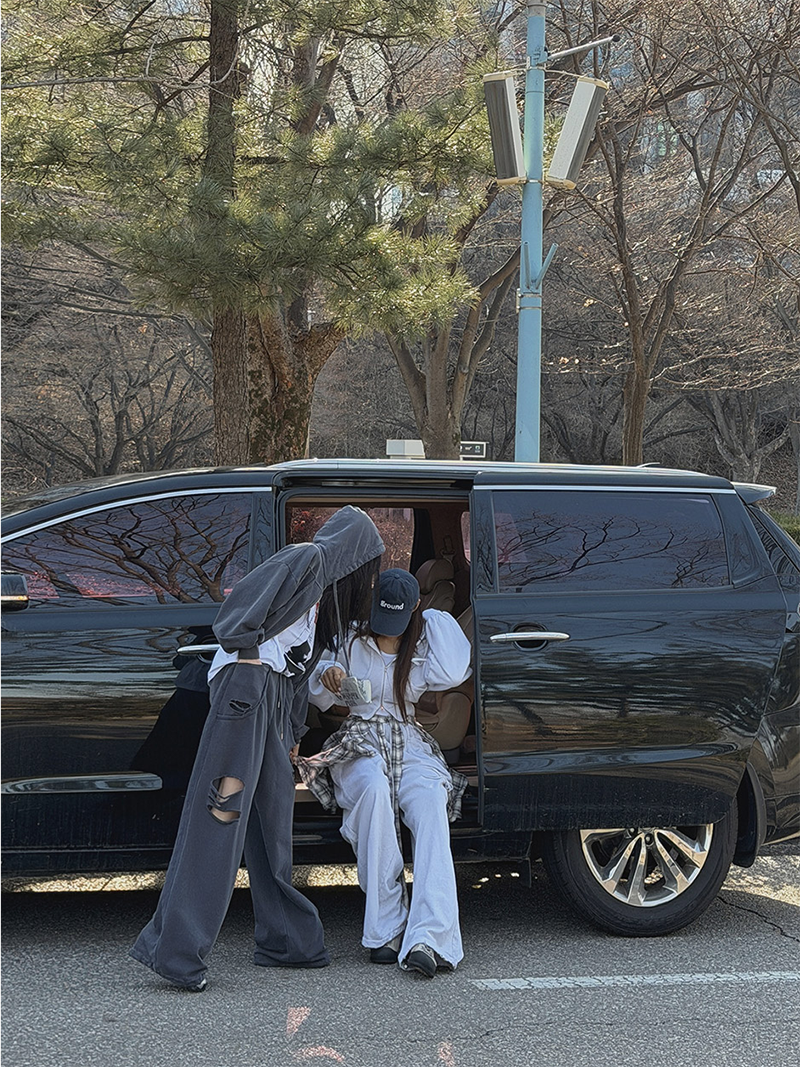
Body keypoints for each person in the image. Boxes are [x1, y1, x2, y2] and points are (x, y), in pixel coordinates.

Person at [130, 506, 384, 991]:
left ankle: (287, 941)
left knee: (272, 818)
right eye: (370, 567)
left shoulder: (321, 598)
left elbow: (295, 675)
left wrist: (291, 732)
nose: (369, 581)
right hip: (244, 694)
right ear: (355, 557)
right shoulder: (308, 559)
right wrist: (248, 653)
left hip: (269, 701)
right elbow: (234, 616)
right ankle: (174, 952)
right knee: (219, 819)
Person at [296, 568, 471, 978]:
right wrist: (328, 674)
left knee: (430, 800)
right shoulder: (351, 639)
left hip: (408, 738)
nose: (386, 630)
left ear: (413, 609)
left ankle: (430, 937)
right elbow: (318, 695)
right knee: (373, 789)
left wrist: (431, 614)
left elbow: (453, 671)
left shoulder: (423, 643)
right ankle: (386, 927)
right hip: (359, 737)